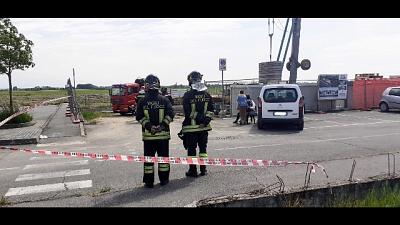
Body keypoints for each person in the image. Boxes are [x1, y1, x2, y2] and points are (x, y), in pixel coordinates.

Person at [136, 74, 174, 188]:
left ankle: (149, 182)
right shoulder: (165, 99)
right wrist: (162, 126)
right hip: (163, 136)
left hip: (149, 137)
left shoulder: (142, 101)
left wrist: (149, 127)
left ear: (145, 86)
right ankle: (164, 180)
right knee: (163, 160)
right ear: (158, 84)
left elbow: (139, 117)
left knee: (148, 160)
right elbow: (171, 114)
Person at [181, 71, 214, 177]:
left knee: (191, 150)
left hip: (191, 129)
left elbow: (188, 112)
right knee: (203, 149)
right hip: (203, 128)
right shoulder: (207, 95)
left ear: (190, 81)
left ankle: (193, 170)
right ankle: (203, 170)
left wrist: (200, 120)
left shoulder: (187, 95)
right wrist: (205, 121)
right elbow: (211, 111)